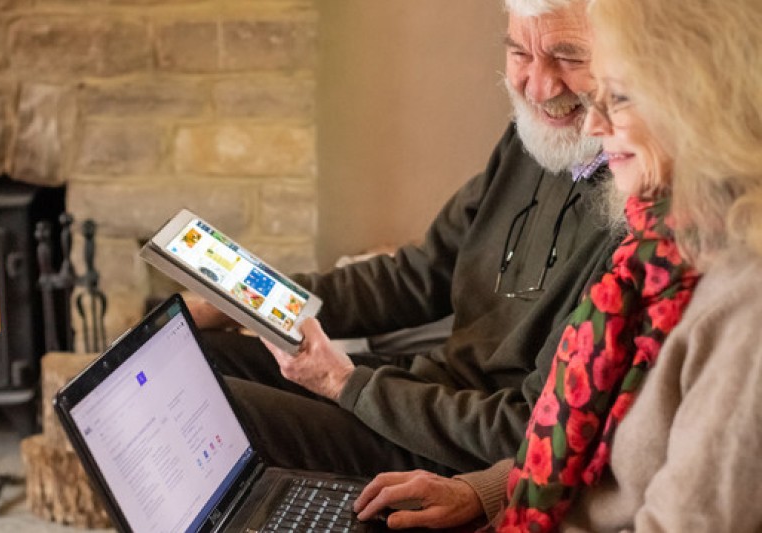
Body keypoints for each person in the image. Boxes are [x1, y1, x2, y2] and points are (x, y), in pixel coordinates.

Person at [355, 0, 762, 530]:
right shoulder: (663, 253)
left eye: (617, 96)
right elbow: (602, 452)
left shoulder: (740, 304)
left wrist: (349, 384)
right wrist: (488, 491)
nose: (592, 122)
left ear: (697, 103)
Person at [190, 0, 620, 478]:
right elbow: (419, 275)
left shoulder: (635, 214)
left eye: (570, 58)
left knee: (199, 404)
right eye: (519, 54)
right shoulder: (537, 138)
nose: (538, 87)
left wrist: (344, 382)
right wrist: (244, 294)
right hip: (417, 392)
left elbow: (528, 431)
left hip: (452, 449)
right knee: (192, 352)